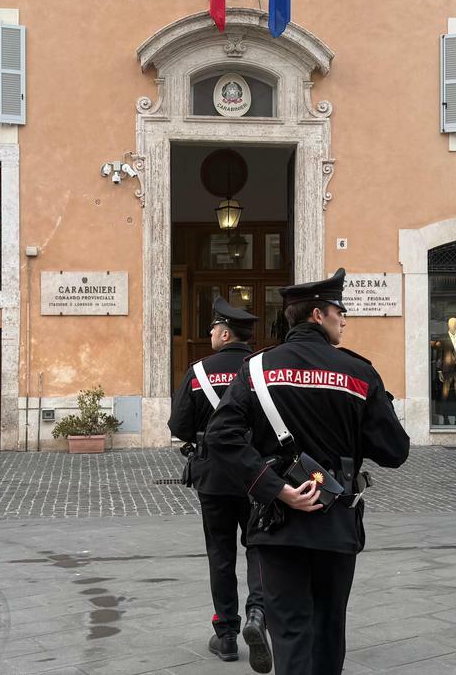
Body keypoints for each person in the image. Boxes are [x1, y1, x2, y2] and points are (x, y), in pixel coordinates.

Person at [203, 268, 410, 675]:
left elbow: (220, 435)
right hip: (336, 520)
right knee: (330, 631)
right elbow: (395, 451)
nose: (345, 319)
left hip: (279, 524)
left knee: (291, 633)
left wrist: (275, 488)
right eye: (340, 311)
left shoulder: (259, 368)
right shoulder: (359, 372)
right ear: (318, 315)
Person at [168, 297, 270, 670]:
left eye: (212, 328)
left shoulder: (198, 372)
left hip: (213, 477)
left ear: (225, 333)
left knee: (221, 555)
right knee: (259, 545)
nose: (209, 333)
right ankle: (258, 613)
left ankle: (226, 634)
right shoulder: (262, 369)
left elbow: (179, 426)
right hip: (257, 475)